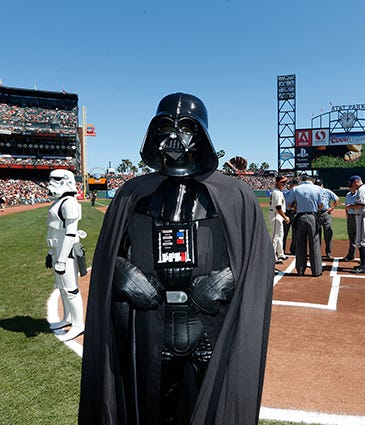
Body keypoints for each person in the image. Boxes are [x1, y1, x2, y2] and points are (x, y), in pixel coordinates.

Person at [79, 93, 274, 425]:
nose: (173, 136)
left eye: (184, 127)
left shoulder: (233, 195)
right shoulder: (132, 194)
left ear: (201, 134)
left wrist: (224, 280)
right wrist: (122, 274)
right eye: (164, 126)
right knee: (151, 409)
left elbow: (257, 258)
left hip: (209, 327)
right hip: (152, 328)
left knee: (213, 404)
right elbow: (111, 253)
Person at [45, 169, 86, 341]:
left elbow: (70, 234)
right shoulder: (59, 201)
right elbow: (53, 230)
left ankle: (78, 324)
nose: (51, 183)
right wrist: (50, 253)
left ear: (65, 181)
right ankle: (67, 318)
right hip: (57, 251)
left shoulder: (69, 203)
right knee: (62, 287)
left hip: (66, 253)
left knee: (71, 289)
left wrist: (61, 260)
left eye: (55, 179)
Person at [287, 175, 323, 276]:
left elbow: (289, 205)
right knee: (314, 244)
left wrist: (296, 206)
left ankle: (300, 270)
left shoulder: (295, 189)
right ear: (312, 181)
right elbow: (321, 205)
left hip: (300, 217)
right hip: (312, 216)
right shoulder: (318, 189)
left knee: (300, 244)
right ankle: (316, 271)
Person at [346, 175, 365, 274]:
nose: (352, 185)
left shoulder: (362, 189)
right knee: (361, 241)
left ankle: (364, 267)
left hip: (363, 216)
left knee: (362, 242)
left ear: (357, 181)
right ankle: (364, 264)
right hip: (363, 215)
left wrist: (350, 206)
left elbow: (360, 205)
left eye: (352, 183)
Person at [314, 178, 339, 258]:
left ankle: (328, 252)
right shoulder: (313, 192)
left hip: (325, 213)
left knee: (328, 233)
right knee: (316, 234)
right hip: (316, 213)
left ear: (322, 185)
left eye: (319, 185)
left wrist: (331, 208)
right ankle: (317, 252)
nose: (318, 187)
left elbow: (336, 199)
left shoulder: (327, 191)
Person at [269, 175, 290, 264]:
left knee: (280, 235)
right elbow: (278, 207)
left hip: (278, 215)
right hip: (276, 215)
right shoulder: (277, 193)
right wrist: (285, 217)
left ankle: (281, 254)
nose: (284, 184)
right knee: (275, 237)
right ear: (278, 182)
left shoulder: (278, 192)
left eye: (285, 182)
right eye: (283, 182)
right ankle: (273, 257)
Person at [342, 176, 360, 261]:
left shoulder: (359, 194)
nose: (350, 188)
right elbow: (346, 206)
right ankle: (351, 255)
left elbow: (360, 206)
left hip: (357, 217)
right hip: (350, 217)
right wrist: (347, 213)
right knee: (351, 237)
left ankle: (362, 257)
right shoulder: (348, 195)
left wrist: (351, 208)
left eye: (351, 187)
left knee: (359, 237)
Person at [283, 178, 298, 255]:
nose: (290, 186)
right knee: (284, 232)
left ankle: (293, 250)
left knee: (295, 233)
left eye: (292, 184)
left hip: (295, 213)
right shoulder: (286, 194)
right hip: (287, 213)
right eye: (290, 184)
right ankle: (282, 250)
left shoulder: (299, 194)